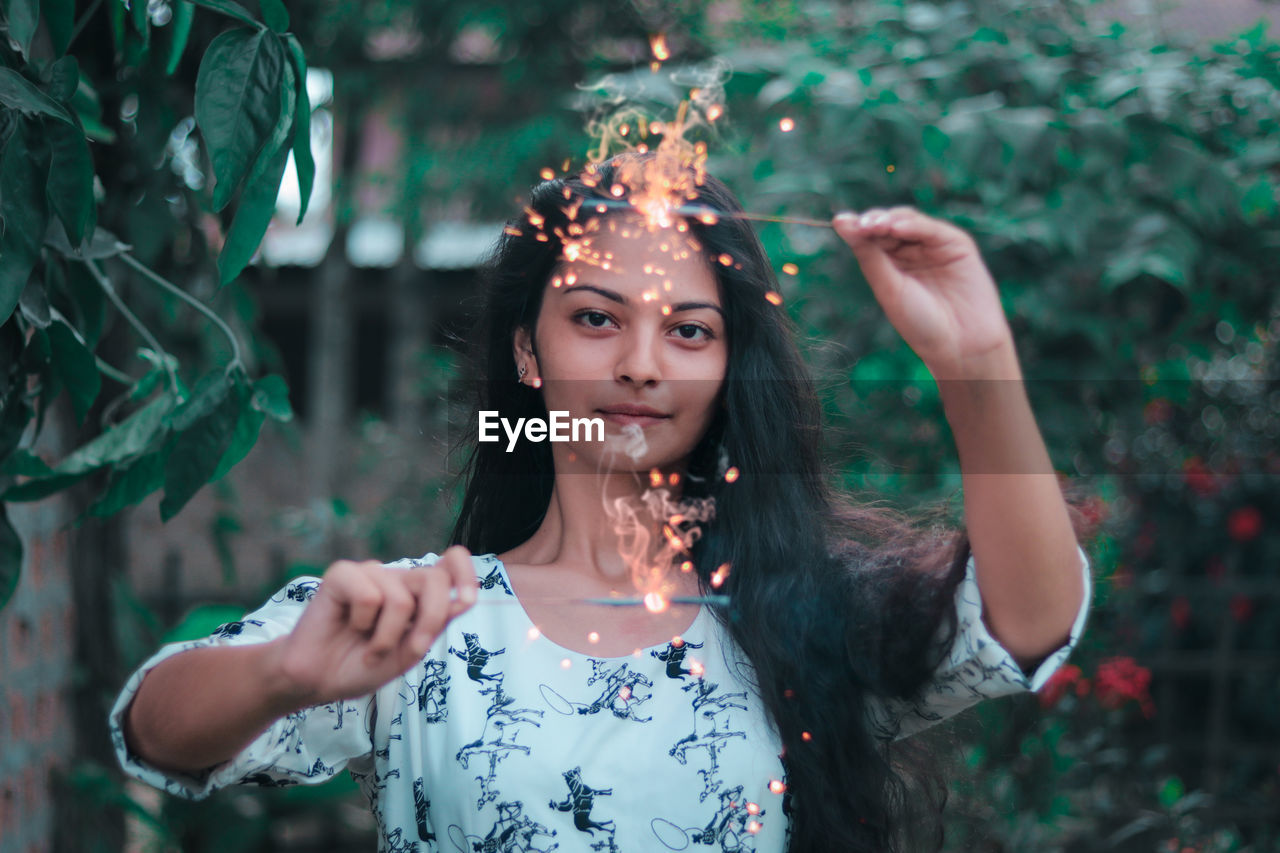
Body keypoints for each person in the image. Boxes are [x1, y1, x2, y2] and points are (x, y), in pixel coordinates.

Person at [110, 152, 1095, 853]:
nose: (637, 364)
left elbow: (1022, 626)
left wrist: (975, 367)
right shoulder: (421, 622)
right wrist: (282, 672)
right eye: (594, 318)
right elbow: (154, 730)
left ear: (725, 366)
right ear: (530, 353)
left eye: (689, 331)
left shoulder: (801, 613)